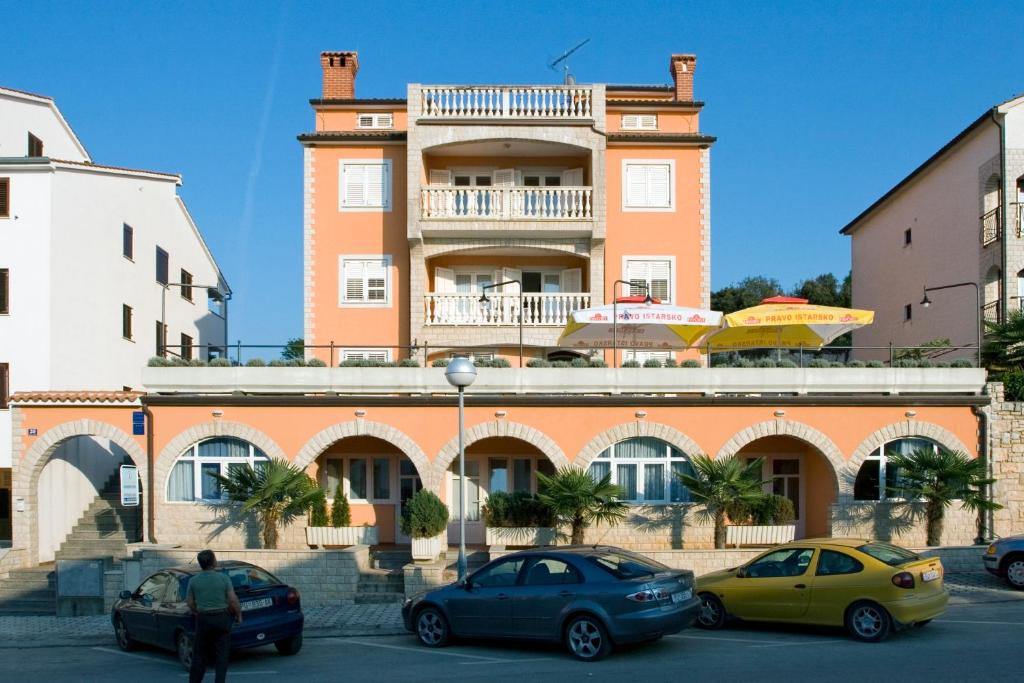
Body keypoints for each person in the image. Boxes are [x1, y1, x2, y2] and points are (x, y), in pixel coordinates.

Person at [186, 550, 242, 683]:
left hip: (203, 619)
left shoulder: (193, 581)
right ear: (214, 562)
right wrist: (239, 615)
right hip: (222, 617)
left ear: (200, 564)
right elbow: (233, 600)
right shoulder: (223, 578)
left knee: (199, 655)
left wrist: (196, 611)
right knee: (222, 656)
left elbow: (189, 602)